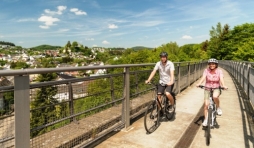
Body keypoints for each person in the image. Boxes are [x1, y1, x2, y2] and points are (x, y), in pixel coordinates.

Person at [196, 58, 228, 126]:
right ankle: (205, 119)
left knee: (215, 96)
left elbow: (221, 79)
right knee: (206, 105)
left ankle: (218, 107)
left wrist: (224, 85)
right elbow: (203, 77)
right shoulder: (206, 70)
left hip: (216, 88)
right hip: (207, 88)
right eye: (210, 64)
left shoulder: (219, 71)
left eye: (213, 64)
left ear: (216, 65)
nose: (211, 65)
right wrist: (199, 83)